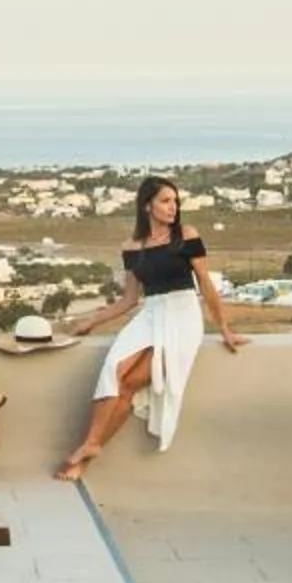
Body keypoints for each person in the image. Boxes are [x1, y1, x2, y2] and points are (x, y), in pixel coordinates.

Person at [54, 174, 244, 479]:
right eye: (165, 201)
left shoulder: (186, 235)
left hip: (183, 315)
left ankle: (87, 453)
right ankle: (91, 445)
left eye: (175, 201)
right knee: (114, 369)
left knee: (131, 384)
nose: (173, 207)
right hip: (150, 313)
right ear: (147, 205)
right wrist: (90, 321)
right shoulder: (131, 247)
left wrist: (224, 328)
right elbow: (129, 299)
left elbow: (206, 284)